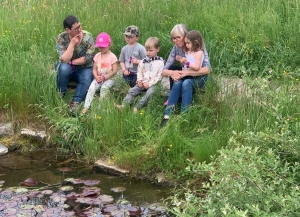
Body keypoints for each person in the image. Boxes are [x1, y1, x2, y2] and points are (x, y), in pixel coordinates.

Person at [160, 24, 211, 127]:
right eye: (173, 38)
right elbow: (164, 70)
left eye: (178, 37)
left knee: (186, 82)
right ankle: (167, 116)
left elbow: (207, 70)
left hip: (199, 77)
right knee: (177, 81)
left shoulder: (198, 48)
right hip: (185, 75)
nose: (175, 40)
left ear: (185, 36)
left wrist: (186, 72)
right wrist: (172, 73)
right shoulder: (176, 48)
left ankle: (184, 116)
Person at [55, 15, 94, 114]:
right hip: (67, 67)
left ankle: (75, 102)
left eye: (80, 26)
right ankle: (61, 92)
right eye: (76, 28)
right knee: (63, 68)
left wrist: (71, 62)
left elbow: (88, 58)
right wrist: (72, 44)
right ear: (68, 30)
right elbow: (63, 59)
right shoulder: (61, 38)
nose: (79, 30)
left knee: (86, 78)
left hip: (84, 68)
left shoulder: (88, 36)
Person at [115, 37, 164, 113]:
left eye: (151, 50)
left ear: (157, 49)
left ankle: (137, 107)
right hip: (143, 82)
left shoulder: (160, 62)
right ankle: (124, 105)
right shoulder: (144, 61)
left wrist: (149, 83)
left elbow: (159, 76)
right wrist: (139, 80)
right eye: (147, 50)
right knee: (132, 90)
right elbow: (140, 70)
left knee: (150, 93)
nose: (148, 52)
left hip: (154, 83)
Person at [81, 32, 118, 115]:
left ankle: (100, 107)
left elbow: (115, 71)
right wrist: (96, 76)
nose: (101, 49)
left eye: (103, 47)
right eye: (99, 47)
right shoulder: (97, 55)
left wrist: (106, 77)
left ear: (109, 45)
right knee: (91, 88)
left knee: (104, 88)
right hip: (98, 78)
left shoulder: (112, 57)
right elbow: (94, 69)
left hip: (109, 78)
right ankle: (86, 106)